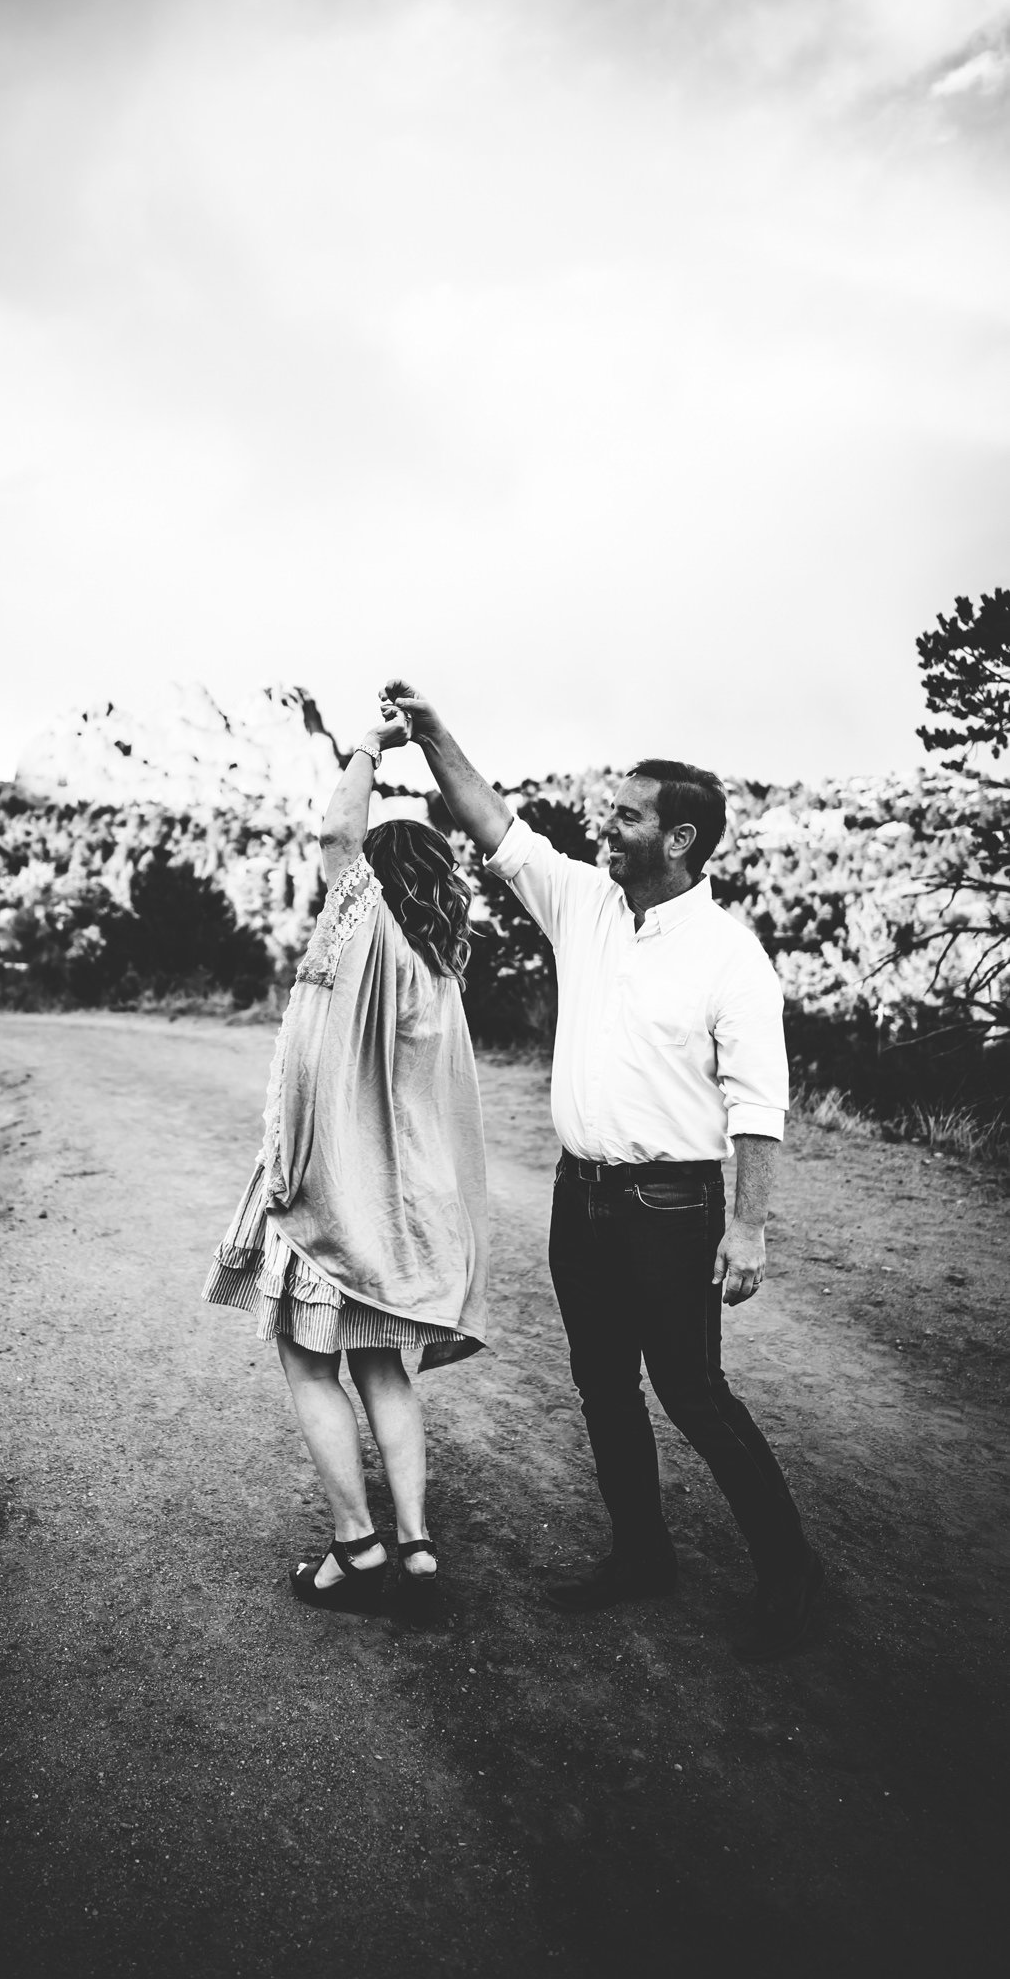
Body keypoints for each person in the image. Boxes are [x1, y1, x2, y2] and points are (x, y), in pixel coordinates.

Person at [382, 678, 821, 1663]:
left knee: (692, 1389)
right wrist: (432, 730)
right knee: (601, 1382)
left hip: (672, 1205)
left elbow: (757, 1105)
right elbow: (493, 821)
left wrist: (746, 1224)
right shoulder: (582, 901)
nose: (602, 822)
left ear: (680, 840)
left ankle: (790, 1566)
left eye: (624, 813)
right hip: (578, 1198)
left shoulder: (728, 956)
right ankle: (640, 1553)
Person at [201, 704, 489, 1614]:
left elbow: (333, 827)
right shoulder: (439, 968)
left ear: (372, 876)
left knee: (307, 1363)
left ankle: (354, 1551)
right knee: (381, 1370)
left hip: (333, 1195)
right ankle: (416, 1551)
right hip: (407, 1207)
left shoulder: (359, 931)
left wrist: (366, 746)